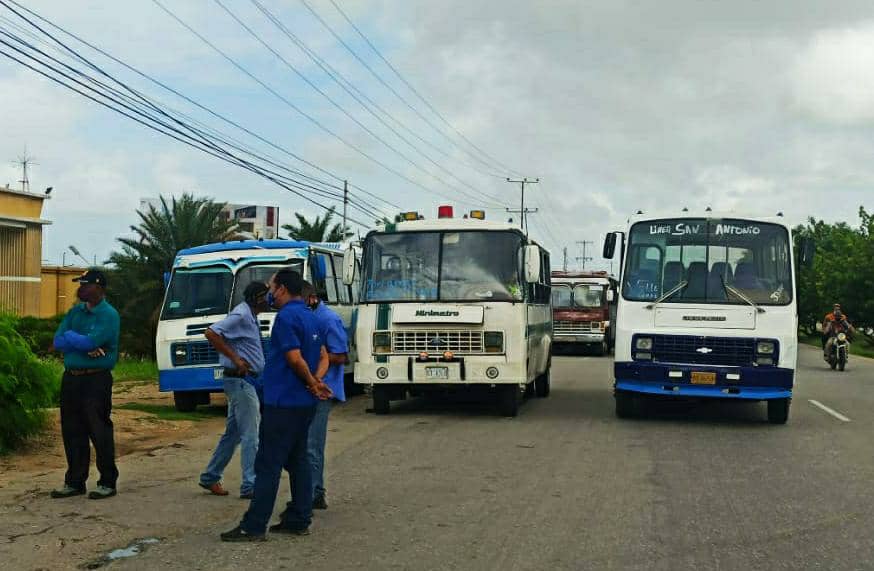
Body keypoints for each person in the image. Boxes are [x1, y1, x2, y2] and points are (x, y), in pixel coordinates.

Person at [221, 270, 332, 542]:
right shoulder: (310, 316)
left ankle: (254, 525)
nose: (269, 292)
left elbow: (294, 359)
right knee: (298, 461)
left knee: (268, 464)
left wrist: (310, 381)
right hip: (303, 403)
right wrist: (315, 381)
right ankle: (298, 519)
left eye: (271, 286)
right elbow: (321, 355)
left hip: (283, 402)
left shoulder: (285, 318)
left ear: (281, 289)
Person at [50, 269, 121, 500]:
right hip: (71, 377)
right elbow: (58, 341)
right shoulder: (75, 312)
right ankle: (75, 481)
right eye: (80, 284)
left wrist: (79, 340)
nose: (80, 289)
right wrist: (77, 340)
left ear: (98, 288)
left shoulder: (109, 315)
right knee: (72, 430)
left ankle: (107, 481)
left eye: (85, 285)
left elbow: (91, 340)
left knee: (98, 429)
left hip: (96, 379)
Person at [198, 282, 269, 499]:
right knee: (251, 434)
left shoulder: (250, 316)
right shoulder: (240, 315)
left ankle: (210, 476)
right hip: (241, 381)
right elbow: (211, 333)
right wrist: (236, 358)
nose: (270, 299)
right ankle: (250, 484)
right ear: (258, 298)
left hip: (245, 381)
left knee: (234, 434)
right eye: (266, 296)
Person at [303, 282, 348, 510]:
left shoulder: (328, 319)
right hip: (310, 387)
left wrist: (315, 356)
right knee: (306, 443)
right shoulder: (310, 318)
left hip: (324, 389)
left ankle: (315, 492)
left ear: (311, 298)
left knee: (313, 444)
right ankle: (312, 490)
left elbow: (341, 356)